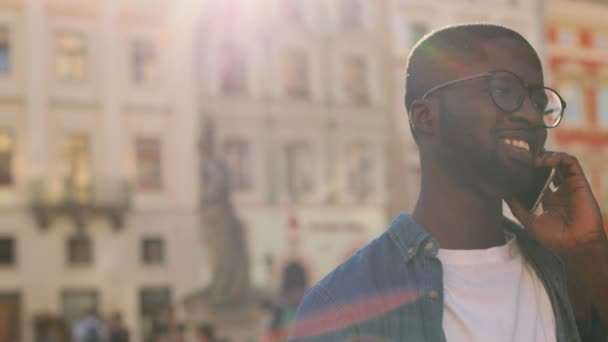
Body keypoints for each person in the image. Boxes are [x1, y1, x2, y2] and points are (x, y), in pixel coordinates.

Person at [288, 24, 608, 341]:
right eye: (505, 90)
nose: (531, 114)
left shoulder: (568, 278)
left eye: (538, 101)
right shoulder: (341, 308)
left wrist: (589, 251)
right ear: (426, 116)